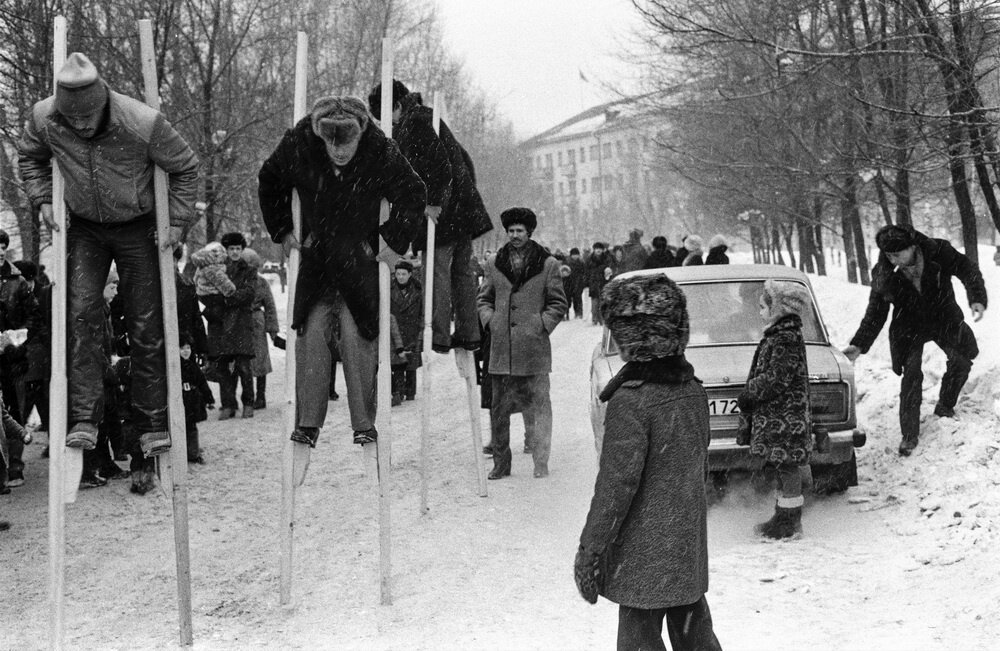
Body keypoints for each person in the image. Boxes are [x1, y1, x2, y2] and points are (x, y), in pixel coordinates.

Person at [17, 52, 198, 458]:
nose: (80, 126)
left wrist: (178, 221)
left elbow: (186, 166)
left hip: (137, 224)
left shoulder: (140, 122)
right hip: (84, 227)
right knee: (80, 313)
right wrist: (44, 198)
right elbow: (30, 157)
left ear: (102, 104)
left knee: (146, 321)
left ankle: (152, 422)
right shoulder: (45, 117)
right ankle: (84, 416)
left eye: (87, 119)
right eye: (73, 121)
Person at [259, 95, 425, 447]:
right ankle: (308, 423)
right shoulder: (300, 141)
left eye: (345, 142)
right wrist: (283, 231)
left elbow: (414, 192)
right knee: (311, 334)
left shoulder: (380, 148)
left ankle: (364, 422)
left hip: (359, 257)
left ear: (360, 133)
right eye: (330, 142)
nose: (338, 151)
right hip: (317, 256)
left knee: (359, 336)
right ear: (320, 133)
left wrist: (390, 243)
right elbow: (270, 178)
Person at [575, 273, 722, 651]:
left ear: (628, 336)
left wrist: (591, 551)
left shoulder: (633, 400)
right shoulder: (691, 389)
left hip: (643, 553)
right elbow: (697, 464)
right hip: (684, 543)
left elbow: (615, 487)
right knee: (695, 635)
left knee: (639, 640)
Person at [368, 80, 492, 354]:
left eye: (386, 116)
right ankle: (469, 333)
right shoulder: (429, 117)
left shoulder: (413, 124)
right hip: (462, 212)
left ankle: (439, 336)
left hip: (442, 215)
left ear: (397, 105)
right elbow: (463, 159)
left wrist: (430, 203)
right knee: (462, 273)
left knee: (437, 273)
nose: (386, 124)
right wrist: (464, 199)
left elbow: (435, 165)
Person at [843, 224, 986, 456]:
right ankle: (909, 435)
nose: (893, 260)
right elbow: (876, 311)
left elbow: (967, 269)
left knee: (961, 360)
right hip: (908, 324)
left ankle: (945, 406)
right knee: (911, 375)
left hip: (943, 316)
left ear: (912, 247)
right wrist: (859, 344)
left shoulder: (938, 251)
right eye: (888, 255)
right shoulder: (884, 272)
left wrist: (977, 297)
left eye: (898, 254)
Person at [477, 207, 567, 479]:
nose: (515, 235)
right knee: (499, 411)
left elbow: (558, 303)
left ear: (530, 233)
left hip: (534, 352)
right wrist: (491, 321)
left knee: (540, 408)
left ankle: (541, 462)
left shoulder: (548, 264)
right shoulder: (494, 263)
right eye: (511, 231)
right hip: (501, 352)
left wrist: (541, 325)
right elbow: (483, 298)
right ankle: (501, 465)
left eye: (520, 231)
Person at [736, 280, 813, 538]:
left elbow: (777, 377)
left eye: (763, 307)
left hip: (785, 416)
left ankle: (790, 523)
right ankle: (782, 517)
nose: (759, 312)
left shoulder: (785, 338)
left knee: (788, 466)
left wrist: (750, 392)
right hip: (779, 415)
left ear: (778, 308)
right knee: (782, 465)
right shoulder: (781, 334)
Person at [201, 233, 257, 420]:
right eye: (231, 249)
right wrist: (225, 299)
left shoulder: (248, 270)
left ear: (242, 250)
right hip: (220, 324)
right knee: (222, 368)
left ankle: (249, 402)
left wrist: (225, 299)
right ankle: (228, 405)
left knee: (244, 367)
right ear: (225, 250)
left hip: (241, 323)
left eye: (237, 249)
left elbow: (248, 294)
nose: (234, 252)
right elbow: (204, 293)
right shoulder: (215, 268)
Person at [242, 248, 279, 409]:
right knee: (243, 361)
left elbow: (270, 306)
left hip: (257, 322)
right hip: (241, 322)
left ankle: (261, 396)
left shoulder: (261, 283)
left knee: (260, 359)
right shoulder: (236, 281)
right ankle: (247, 397)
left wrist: (272, 330)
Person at [390, 259, 423, 402]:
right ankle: (397, 391)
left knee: (411, 363)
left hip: (412, 330)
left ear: (410, 274)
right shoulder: (389, 289)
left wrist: (420, 331)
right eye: (398, 274)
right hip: (395, 330)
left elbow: (422, 312)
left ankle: (410, 391)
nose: (400, 277)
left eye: (404, 274)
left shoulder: (418, 290)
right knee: (396, 362)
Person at [179, 334, 214, 464]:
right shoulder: (175, 367)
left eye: (188, 348)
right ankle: (183, 453)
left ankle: (193, 453)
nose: (186, 351)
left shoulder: (193, 366)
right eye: (182, 348)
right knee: (181, 427)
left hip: (192, 400)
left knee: (192, 428)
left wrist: (208, 398)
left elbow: (202, 383)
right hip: (182, 399)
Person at [586, 242, 614, 325]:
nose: (598, 250)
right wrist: (587, 282)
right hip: (593, 283)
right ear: (594, 250)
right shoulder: (589, 259)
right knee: (594, 303)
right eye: (596, 248)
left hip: (603, 282)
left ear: (602, 250)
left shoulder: (606, 258)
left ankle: (602, 319)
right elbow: (586, 272)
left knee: (603, 303)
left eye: (600, 249)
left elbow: (610, 269)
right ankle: (594, 319)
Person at [564, 248, 586, 319]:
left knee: (578, 299)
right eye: (574, 255)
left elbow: (584, 272)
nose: (575, 256)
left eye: (576, 255)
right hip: (568, 283)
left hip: (578, 283)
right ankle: (566, 313)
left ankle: (579, 313)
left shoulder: (581, 262)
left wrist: (583, 282)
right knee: (567, 299)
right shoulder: (567, 262)